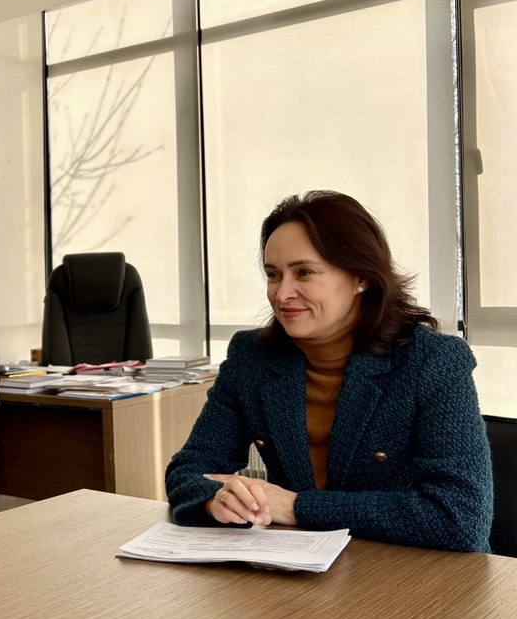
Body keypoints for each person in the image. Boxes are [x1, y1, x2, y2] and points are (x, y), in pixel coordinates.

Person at [166, 191, 492, 551]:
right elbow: (189, 470)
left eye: (304, 273)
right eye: (273, 275)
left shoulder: (432, 360)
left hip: (414, 572)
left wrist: (295, 507)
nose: (282, 294)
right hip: (295, 564)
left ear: (361, 277)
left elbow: (461, 517)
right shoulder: (252, 357)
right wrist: (216, 500)